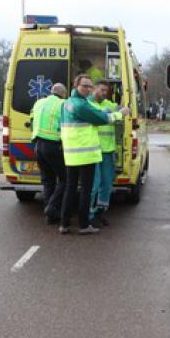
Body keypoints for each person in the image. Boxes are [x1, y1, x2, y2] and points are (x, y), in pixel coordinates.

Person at [59, 74, 128, 235]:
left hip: (71, 153)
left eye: (89, 86)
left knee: (70, 189)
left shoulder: (67, 103)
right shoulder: (82, 105)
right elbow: (102, 118)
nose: (88, 89)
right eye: (85, 86)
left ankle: (64, 223)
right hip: (86, 154)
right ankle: (84, 225)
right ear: (76, 86)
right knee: (86, 189)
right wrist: (121, 114)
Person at [30, 83, 68, 224]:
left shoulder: (39, 102)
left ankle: (50, 215)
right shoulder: (63, 104)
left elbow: (32, 120)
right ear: (63, 94)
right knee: (65, 179)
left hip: (38, 145)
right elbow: (67, 124)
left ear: (51, 91)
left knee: (48, 181)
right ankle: (52, 207)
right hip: (53, 145)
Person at [88, 81, 121, 226]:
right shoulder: (87, 104)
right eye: (101, 90)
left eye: (106, 91)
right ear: (94, 89)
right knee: (94, 185)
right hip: (92, 150)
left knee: (106, 183)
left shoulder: (110, 104)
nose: (104, 93)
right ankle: (89, 214)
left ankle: (100, 211)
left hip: (108, 150)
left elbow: (120, 113)